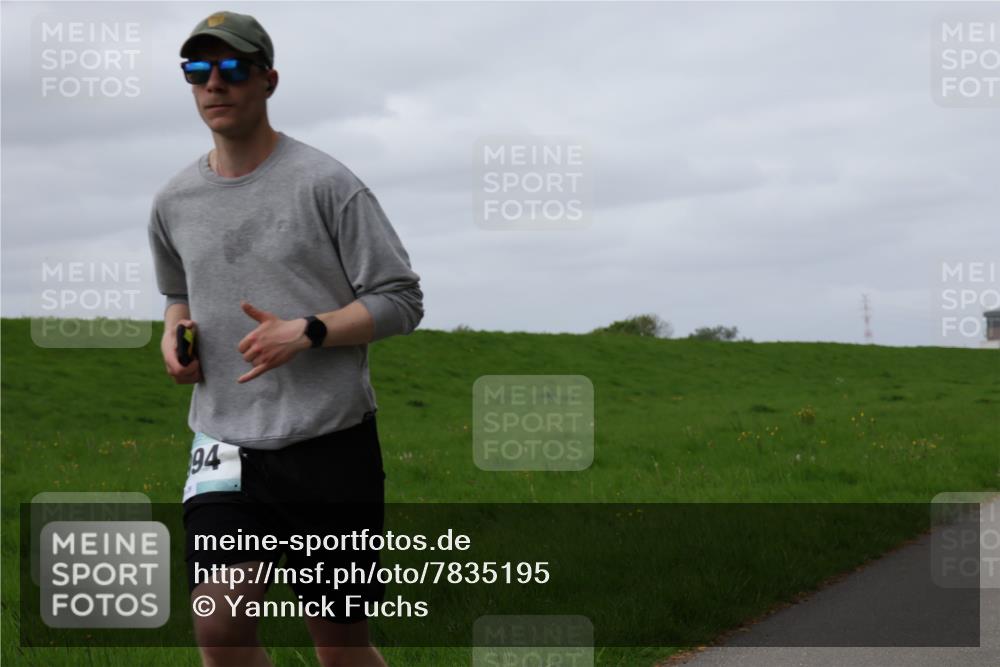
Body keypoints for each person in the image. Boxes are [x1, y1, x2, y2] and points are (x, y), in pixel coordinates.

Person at [146, 10, 423, 667]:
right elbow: (175, 293)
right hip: (223, 443)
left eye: (233, 68)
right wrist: (174, 336)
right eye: (198, 69)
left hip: (329, 443)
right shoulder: (173, 200)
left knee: (338, 642)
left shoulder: (329, 185)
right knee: (219, 623)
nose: (215, 83)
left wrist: (310, 330)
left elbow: (401, 298)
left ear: (268, 80)